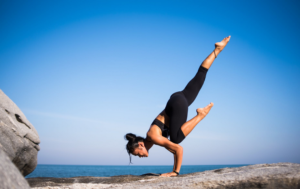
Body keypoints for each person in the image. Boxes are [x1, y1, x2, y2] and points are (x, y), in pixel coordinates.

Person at [125, 36, 231, 177]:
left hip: (177, 105)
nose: (140, 157)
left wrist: (174, 172)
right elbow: (172, 149)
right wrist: (172, 149)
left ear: (140, 145)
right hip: (177, 99)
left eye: (137, 154)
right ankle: (218, 49)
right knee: (200, 76)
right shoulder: (151, 139)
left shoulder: (153, 137)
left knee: (176, 139)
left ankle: (200, 115)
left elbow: (178, 149)